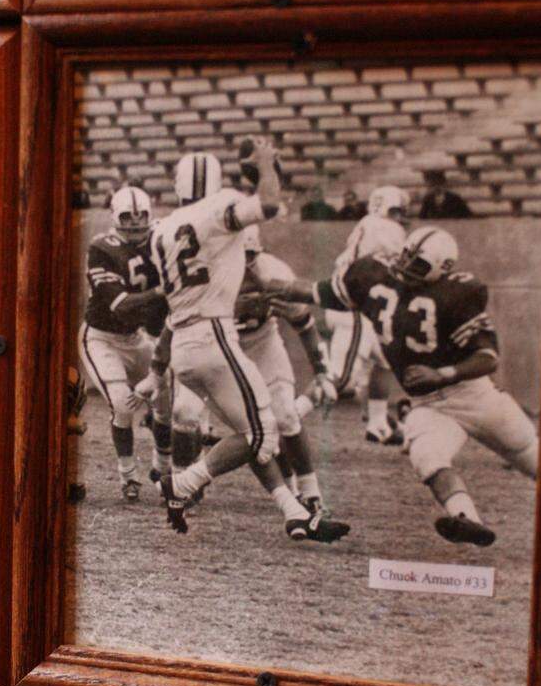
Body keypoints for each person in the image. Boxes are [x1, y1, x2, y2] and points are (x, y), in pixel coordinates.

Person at [136, 144, 349, 542]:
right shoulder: (219, 211)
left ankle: (295, 514)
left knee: (250, 430)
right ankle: (181, 485)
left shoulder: (161, 229)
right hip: (215, 335)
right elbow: (268, 205)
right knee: (261, 433)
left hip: (184, 342)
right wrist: (266, 162)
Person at [274, 227, 538, 546]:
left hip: (475, 395)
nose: (407, 269)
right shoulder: (377, 279)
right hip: (428, 404)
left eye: (419, 265)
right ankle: (468, 519)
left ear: (445, 269)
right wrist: (271, 287)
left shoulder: (458, 295)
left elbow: (487, 358)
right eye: (406, 258)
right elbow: (319, 292)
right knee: (427, 457)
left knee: (532, 458)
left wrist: (442, 373)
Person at [78, 185, 172, 501]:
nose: (135, 226)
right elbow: (121, 304)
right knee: (122, 404)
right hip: (101, 338)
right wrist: (162, 292)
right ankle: (128, 476)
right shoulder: (102, 247)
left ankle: (162, 465)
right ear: (116, 219)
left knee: (164, 397)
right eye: (127, 219)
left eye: (140, 218)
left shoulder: (161, 237)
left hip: (136, 337)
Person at [234, 225, 337, 512]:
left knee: (285, 415)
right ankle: (182, 479)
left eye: (250, 255)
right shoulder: (208, 271)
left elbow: (304, 324)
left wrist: (322, 372)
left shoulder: (273, 273)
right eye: (236, 254)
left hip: (261, 341)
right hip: (218, 346)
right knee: (195, 415)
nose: (244, 264)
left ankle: (309, 492)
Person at [314, 185, 411, 445]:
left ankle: (378, 424)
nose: (403, 217)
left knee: (383, 361)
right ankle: (289, 410)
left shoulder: (366, 223)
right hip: (356, 307)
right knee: (341, 382)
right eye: (400, 211)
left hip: (359, 304)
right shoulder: (389, 229)